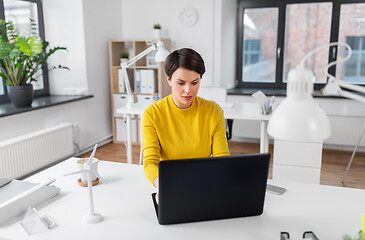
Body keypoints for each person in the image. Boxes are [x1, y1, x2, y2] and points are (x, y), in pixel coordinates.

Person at [141, 48, 230, 189]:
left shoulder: (214, 110)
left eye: (194, 83)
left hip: (204, 182)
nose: (188, 90)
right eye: (181, 83)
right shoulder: (152, 114)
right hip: (169, 182)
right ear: (169, 80)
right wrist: (162, 185)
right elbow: (150, 162)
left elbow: (221, 158)